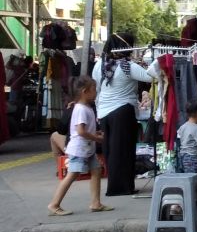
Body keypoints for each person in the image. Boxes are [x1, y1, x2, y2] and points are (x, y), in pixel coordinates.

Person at [93, 33, 158, 197]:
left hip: (104, 112)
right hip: (123, 111)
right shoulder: (127, 66)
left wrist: (97, 110)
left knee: (111, 149)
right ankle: (122, 187)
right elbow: (151, 77)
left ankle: (115, 184)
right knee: (123, 150)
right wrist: (159, 62)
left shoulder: (100, 64)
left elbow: (97, 89)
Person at [47, 76, 111, 216]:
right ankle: (54, 204)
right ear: (84, 91)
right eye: (94, 89)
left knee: (97, 170)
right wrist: (97, 138)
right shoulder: (81, 109)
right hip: (80, 149)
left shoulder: (84, 107)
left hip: (86, 149)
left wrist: (95, 133)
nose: (96, 92)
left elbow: (85, 129)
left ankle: (96, 203)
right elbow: (81, 131)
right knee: (72, 175)